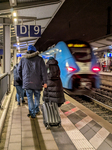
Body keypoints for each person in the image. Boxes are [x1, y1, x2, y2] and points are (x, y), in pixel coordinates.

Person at [18, 45, 47, 119]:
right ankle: (36, 110)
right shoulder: (40, 59)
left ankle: (32, 113)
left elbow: (19, 70)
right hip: (37, 83)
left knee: (30, 98)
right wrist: (45, 82)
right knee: (37, 96)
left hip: (27, 83)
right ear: (35, 51)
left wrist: (23, 79)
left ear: (27, 51)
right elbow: (44, 72)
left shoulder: (23, 59)